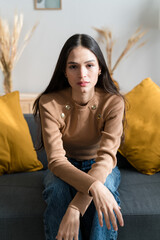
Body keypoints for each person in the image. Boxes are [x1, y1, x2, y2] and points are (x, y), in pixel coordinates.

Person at [33, 33, 125, 240]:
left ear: (100, 69)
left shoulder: (114, 102)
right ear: (64, 71)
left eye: (90, 65)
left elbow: (107, 158)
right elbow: (56, 160)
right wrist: (92, 187)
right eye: (73, 66)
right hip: (65, 165)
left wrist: (75, 207)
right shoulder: (49, 103)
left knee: (107, 188)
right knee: (56, 191)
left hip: (100, 164)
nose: (82, 74)